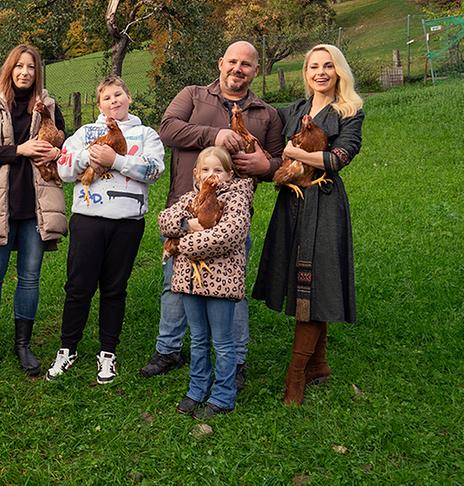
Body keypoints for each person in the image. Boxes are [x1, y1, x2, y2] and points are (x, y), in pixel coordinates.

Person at [142, 41, 284, 390]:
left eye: (246, 65)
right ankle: (169, 349)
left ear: (256, 70)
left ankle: (233, 360)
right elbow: (168, 129)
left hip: (231, 221)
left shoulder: (266, 114)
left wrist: (266, 166)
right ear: (221, 63)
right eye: (232, 62)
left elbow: (281, 162)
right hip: (187, 210)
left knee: (230, 290)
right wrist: (215, 135)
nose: (238, 69)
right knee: (174, 283)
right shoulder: (193, 95)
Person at [253, 44, 364, 406]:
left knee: (318, 286)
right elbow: (267, 131)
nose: (320, 72)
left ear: (338, 71)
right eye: (314, 66)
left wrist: (295, 153)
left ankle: (295, 377)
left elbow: (338, 158)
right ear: (306, 73)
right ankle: (318, 364)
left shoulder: (350, 110)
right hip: (293, 203)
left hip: (325, 202)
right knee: (306, 280)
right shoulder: (297, 110)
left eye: (328, 66)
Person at [45, 76, 164, 384]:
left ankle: (108, 352)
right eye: (107, 97)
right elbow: (64, 168)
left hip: (127, 223)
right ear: (99, 104)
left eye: (118, 94)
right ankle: (67, 348)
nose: (113, 101)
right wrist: (88, 155)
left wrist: (117, 160)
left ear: (129, 97)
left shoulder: (146, 134)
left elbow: (153, 171)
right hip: (88, 219)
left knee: (114, 288)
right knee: (78, 287)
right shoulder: (85, 133)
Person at [0, 44, 67, 375]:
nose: (25, 72)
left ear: (38, 72)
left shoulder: (49, 106)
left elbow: (62, 148)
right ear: (9, 69)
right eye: (19, 66)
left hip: (36, 205)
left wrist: (54, 153)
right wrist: (19, 150)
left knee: (30, 277)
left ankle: (22, 345)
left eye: (32, 67)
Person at [159, 146, 254, 419]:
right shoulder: (190, 198)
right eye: (206, 169)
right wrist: (189, 225)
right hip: (189, 282)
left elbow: (227, 236)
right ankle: (197, 388)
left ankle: (223, 395)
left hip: (222, 283)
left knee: (223, 341)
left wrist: (180, 244)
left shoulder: (235, 200)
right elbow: (165, 220)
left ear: (230, 174)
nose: (211, 175)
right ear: (196, 174)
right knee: (198, 339)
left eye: (218, 170)